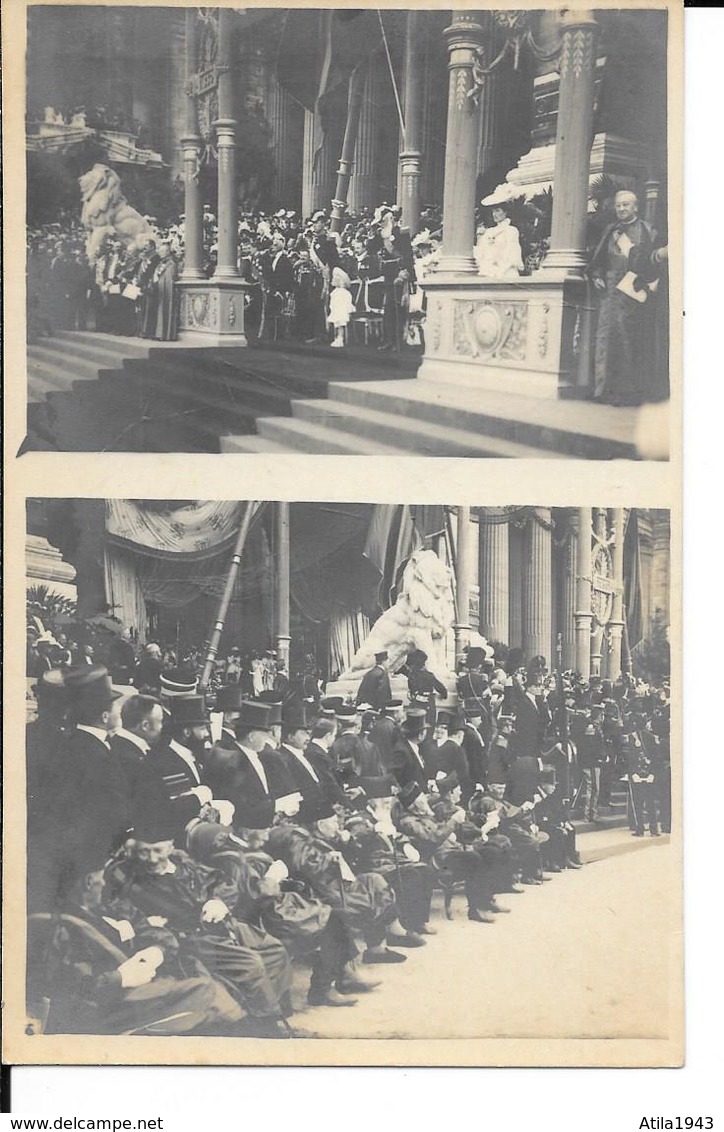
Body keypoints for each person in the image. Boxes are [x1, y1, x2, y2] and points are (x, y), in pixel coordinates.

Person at [31, 868, 244, 1035]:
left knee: (212, 989)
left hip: (143, 981)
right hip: (112, 1004)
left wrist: (155, 951)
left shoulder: (107, 907)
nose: (104, 883)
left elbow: (153, 930)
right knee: (208, 992)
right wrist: (121, 977)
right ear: (88, 882)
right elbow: (68, 990)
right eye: (100, 878)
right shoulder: (60, 928)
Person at [589, 190, 655, 405]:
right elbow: (599, 259)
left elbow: (652, 264)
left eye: (626, 205)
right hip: (609, 291)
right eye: (618, 205)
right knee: (605, 337)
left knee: (628, 339)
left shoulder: (647, 230)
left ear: (636, 207)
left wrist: (641, 283)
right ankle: (602, 389)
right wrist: (597, 276)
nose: (621, 209)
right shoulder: (611, 230)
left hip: (633, 292)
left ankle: (627, 392)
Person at [366, 205, 415, 351]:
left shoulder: (401, 232)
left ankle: (398, 341)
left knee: (398, 309)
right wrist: (372, 233)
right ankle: (388, 340)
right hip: (388, 275)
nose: (380, 223)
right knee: (388, 309)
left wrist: (404, 271)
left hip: (399, 274)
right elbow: (370, 250)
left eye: (382, 220)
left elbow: (408, 255)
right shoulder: (381, 235)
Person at [474, 204, 523, 279]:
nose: (494, 214)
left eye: (497, 211)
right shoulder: (489, 231)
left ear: (505, 212)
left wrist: (498, 260)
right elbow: (482, 253)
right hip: (490, 270)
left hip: (506, 270)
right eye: (493, 211)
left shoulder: (511, 230)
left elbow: (513, 251)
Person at [149, 242, 177, 341]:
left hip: (166, 291)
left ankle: (164, 334)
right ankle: (158, 333)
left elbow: (169, 279)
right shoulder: (161, 263)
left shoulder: (171, 264)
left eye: (161, 251)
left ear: (166, 252)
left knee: (165, 309)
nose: (159, 253)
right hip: (158, 290)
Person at [327, 267, 356, 347]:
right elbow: (332, 303)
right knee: (336, 323)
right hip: (336, 310)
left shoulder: (345, 293)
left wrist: (348, 311)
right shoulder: (334, 292)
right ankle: (336, 338)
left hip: (343, 311)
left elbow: (347, 303)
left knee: (340, 324)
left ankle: (340, 339)